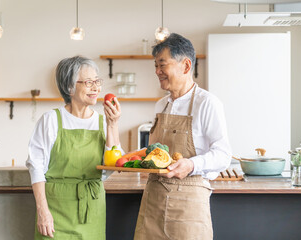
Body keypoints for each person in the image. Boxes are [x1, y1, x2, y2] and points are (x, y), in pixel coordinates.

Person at [134, 33, 232, 240]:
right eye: (155, 66)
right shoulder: (161, 105)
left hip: (188, 206)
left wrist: (191, 164)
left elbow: (223, 155)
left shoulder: (207, 103)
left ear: (186, 66)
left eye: (162, 65)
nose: (157, 71)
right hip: (153, 202)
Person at [26, 56, 122, 239]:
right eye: (88, 82)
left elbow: (113, 166)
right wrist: (43, 211)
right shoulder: (51, 120)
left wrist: (113, 125)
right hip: (55, 211)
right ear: (69, 87)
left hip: (92, 209)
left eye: (97, 81)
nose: (96, 88)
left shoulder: (103, 122)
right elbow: (36, 167)